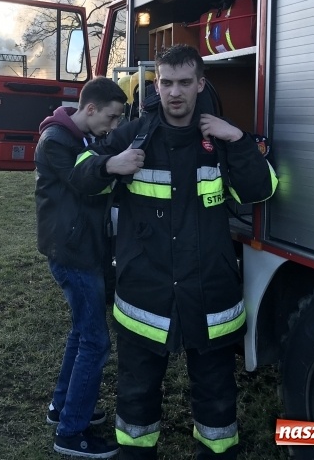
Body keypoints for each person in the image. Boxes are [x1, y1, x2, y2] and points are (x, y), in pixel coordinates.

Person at [71, 45, 278, 459]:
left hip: (209, 295)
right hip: (146, 298)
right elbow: (77, 176)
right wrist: (110, 166)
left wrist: (237, 140)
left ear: (200, 84)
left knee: (217, 395)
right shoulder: (133, 135)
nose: (175, 92)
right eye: (166, 83)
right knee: (136, 395)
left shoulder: (220, 139)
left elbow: (262, 190)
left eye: (185, 82)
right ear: (156, 85)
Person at [35, 76, 131, 459]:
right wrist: (114, 164)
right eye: (110, 118)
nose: (113, 127)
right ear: (89, 109)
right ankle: (71, 432)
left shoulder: (80, 136)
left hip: (79, 250)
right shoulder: (56, 141)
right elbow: (82, 176)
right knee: (96, 341)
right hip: (73, 254)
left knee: (81, 333)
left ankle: (63, 407)